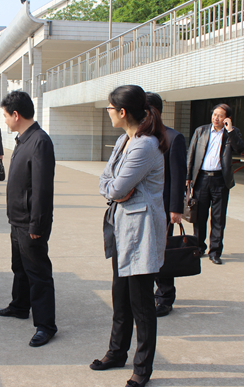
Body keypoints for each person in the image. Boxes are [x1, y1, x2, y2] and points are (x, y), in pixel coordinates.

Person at [93, 85, 168, 387]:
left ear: (122, 112)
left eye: (110, 108)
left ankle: (142, 368)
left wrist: (115, 188)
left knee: (141, 303)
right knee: (120, 297)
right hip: (123, 228)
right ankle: (116, 352)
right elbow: (105, 182)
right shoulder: (125, 140)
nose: (108, 112)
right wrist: (115, 188)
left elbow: (115, 189)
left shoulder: (144, 145)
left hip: (141, 233)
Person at [0, 91, 57, 348]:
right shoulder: (24, 139)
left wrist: (37, 225)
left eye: (6, 116)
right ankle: (20, 305)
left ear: (16, 115)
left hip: (31, 222)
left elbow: (42, 189)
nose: (5, 122)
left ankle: (46, 325)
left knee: (38, 273)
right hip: (17, 219)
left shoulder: (39, 141)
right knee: (19, 267)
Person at [186, 103, 244, 265]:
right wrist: (188, 176)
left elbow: (240, 148)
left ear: (227, 118)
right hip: (202, 179)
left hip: (221, 180)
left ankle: (215, 252)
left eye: (220, 115)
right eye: (214, 114)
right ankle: (198, 247)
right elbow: (191, 153)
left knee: (218, 218)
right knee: (199, 216)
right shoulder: (201, 131)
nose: (216, 118)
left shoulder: (231, 133)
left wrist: (230, 130)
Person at [146, 92, 187, 318]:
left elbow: (178, 176)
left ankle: (164, 296)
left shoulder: (173, 138)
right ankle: (149, 291)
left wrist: (175, 209)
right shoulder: (141, 138)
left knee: (163, 252)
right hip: (144, 206)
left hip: (163, 206)